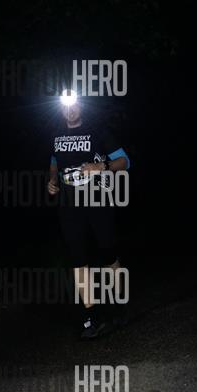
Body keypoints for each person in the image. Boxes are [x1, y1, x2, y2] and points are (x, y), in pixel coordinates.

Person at [47, 91, 130, 339]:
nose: (70, 110)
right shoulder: (55, 134)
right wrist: (52, 180)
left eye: (74, 105)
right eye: (65, 106)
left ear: (81, 107)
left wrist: (100, 166)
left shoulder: (98, 131)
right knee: (78, 259)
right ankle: (90, 318)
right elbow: (54, 160)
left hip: (97, 201)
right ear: (60, 109)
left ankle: (119, 306)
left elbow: (125, 161)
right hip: (69, 206)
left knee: (108, 254)